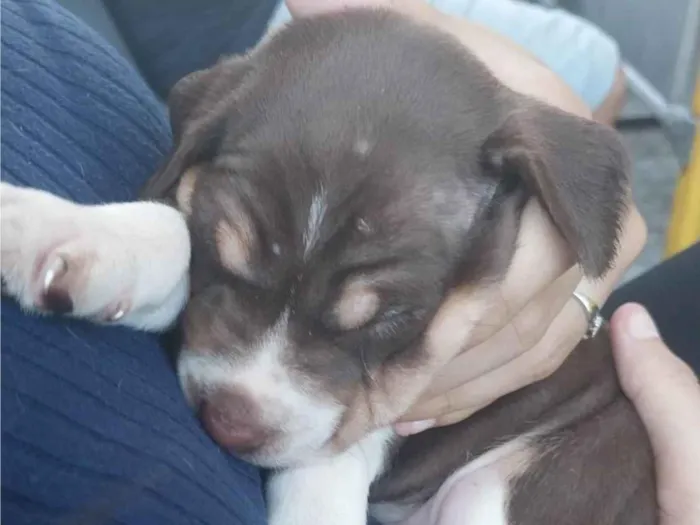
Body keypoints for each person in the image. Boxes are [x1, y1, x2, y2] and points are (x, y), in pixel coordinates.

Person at [1, 1, 697, 524]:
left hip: (557, 454)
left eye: (374, 320)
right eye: (230, 266)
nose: (250, 393)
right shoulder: (241, 169)